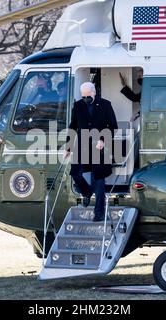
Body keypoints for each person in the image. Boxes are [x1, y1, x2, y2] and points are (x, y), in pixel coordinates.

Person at [65, 82, 118, 222]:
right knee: (75, 173)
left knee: (99, 180)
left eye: (88, 96)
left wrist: (103, 140)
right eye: (83, 96)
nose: (86, 98)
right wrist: (68, 146)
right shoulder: (78, 105)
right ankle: (87, 193)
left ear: (94, 92)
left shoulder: (106, 104)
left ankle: (99, 213)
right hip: (82, 146)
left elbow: (113, 126)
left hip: (100, 147)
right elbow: (73, 126)